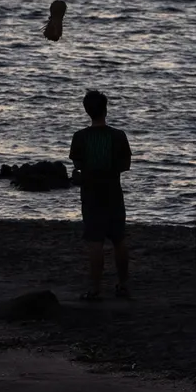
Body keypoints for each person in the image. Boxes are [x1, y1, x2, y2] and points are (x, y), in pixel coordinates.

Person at [69, 89, 132, 300]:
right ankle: (123, 285)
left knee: (95, 242)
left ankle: (95, 289)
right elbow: (125, 165)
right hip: (113, 191)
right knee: (119, 239)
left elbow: (77, 165)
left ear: (87, 111)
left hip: (91, 194)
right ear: (106, 109)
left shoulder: (80, 137)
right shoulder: (118, 136)